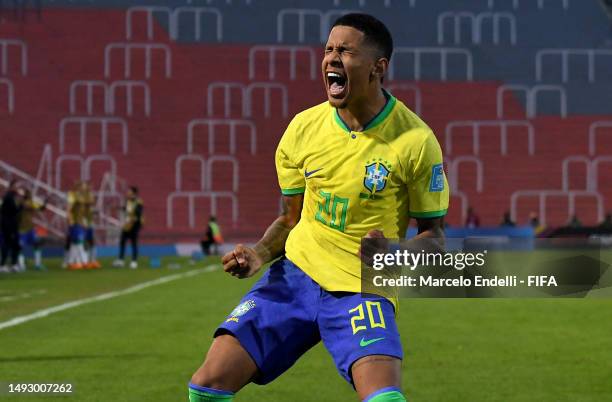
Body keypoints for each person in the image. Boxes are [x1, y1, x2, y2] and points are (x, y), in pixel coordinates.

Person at [188, 14, 448, 402]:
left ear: (378, 68)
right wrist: (259, 253)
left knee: (384, 399)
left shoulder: (416, 141)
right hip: (295, 277)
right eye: (328, 49)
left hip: (362, 289)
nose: (331, 58)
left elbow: (434, 237)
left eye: (345, 50)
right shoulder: (302, 129)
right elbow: (291, 218)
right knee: (207, 385)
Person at [113, 186, 143, 269]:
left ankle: (134, 261)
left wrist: (132, 220)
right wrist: (119, 208)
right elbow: (126, 209)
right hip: (127, 224)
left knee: (134, 243)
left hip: (134, 225)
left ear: (134, 193)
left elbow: (138, 213)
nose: (127, 193)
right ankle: (121, 260)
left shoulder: (138, 202)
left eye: (129, 192)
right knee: (122, 241)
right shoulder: (128, 201)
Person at [17, 188, 47, 271]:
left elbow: (41, 208)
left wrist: (45, 202)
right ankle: (21, 265)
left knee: (36, 244)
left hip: (30, 228)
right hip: (21, 229)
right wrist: (40, 205)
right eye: (28, 194)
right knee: (20, 247)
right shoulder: (21, 203)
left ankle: (37, 264)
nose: (29, 195)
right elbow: (28, 206)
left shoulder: (31, 203)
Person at [0, 180, 23, 273]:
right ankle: (3, 265)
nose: (18, 189)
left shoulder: (11, 197)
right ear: (12, 187)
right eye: (17, 187)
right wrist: (21, 205)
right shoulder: (9, 197)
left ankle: (13, 264)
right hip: (9, 226)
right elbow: (14, 211)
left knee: (14, 245)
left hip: (10, 225)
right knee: (8, 245)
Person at [65, 181, 88, 270]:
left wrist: (84, 221)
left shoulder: (81, 196)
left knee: (75, 242)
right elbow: (69, 207)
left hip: (79, 221)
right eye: (83, 186)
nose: (85, 187)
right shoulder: (73, 195)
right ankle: (83, 262)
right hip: (74, 222)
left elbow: (81, 211)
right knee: (79, 241)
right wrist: (69, 218)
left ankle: (71, 262)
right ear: (79, 187)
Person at [81, 181, 101, 269]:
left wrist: (94, 212)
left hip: (89, 220)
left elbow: (91, 204)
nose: (88, 188)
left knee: (91, 240)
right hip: (82, 219)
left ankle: (92, 260)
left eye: (89, 186)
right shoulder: (80, 196)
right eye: (87, 186)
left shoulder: (90, 195)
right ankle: (84, 260)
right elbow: (86, 204)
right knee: (84, 241)